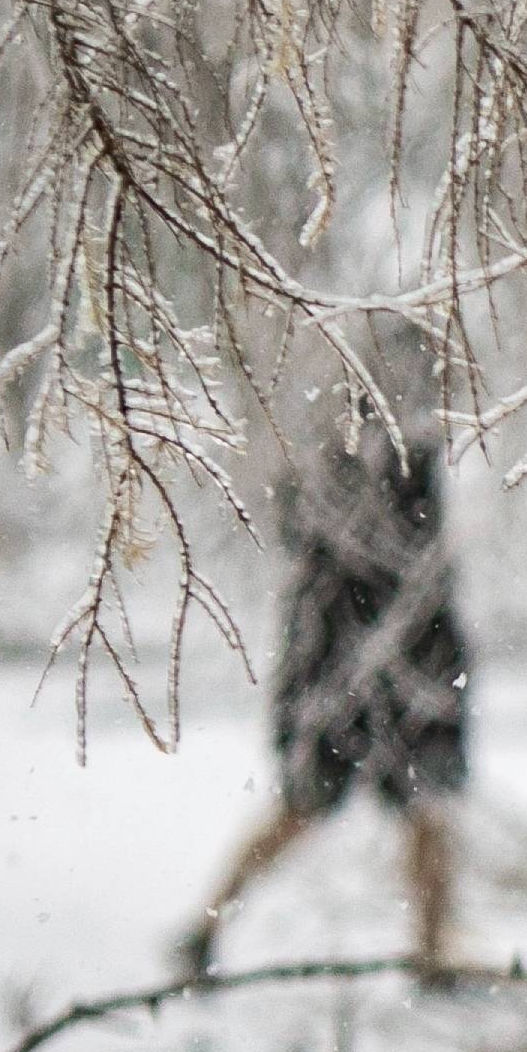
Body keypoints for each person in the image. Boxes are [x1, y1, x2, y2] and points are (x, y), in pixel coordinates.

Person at [181, 402, 477, 984]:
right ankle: (206, 929)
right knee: (313, 804)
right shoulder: (323, 439)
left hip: (412, 649)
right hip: (336, 656)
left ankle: (433, 949)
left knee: (424, 809)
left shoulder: (414, 434)